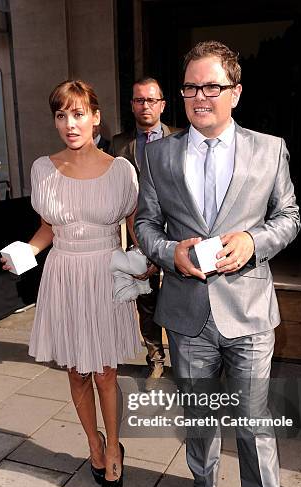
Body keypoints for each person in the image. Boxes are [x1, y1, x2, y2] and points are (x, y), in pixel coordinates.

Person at [135, 41, 300, 487]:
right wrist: (169, 253)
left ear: (235, 92)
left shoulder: (269, 149)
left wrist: (254, 241)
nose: (198, 96)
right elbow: (145, 226)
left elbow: (290, 216)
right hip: (188, 316)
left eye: (211, 86)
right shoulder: (158, 154)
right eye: (190, 87)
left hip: (249, 312)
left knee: (253, 422)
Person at [3, 80, 141, 487]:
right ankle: (93, 444)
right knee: (77, 372)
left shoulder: (121, 171)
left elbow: (135, 230)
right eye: (61, 115)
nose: (70, 123)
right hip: (63, 273)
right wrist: (25, 252)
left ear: (96, 117)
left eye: (78, 113)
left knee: (104, 372)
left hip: (103, 273)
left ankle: (113, 447)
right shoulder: (44, 169)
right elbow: (47, 229)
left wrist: (148, 264)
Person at [111, 77, 179, 382]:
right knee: (146, 299)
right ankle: (155, 359)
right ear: (132, 105)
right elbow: (121, 199)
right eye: (139, 100)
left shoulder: (182, 138)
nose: (146, 106)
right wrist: (140, 244)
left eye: (152, 100)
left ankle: (185, 362)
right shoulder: (117, 144)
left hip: (177, 237)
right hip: (138, 235)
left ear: (162, 104)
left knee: (179, 301)